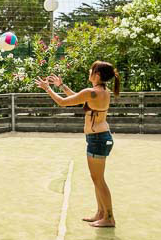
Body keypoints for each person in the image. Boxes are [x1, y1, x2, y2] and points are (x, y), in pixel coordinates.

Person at [34, 61, 121, 228]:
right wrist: (62, 86)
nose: (89, 71)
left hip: (98, 139)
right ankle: (101, 213)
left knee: (99, 180)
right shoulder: (101, 91)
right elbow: (78, 98)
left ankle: (109, 217)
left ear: (97, 75)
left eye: (91, 70)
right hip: (100, 137)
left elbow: (62, 102)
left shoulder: (92, 92)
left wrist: (48, 88)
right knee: (97, 179)